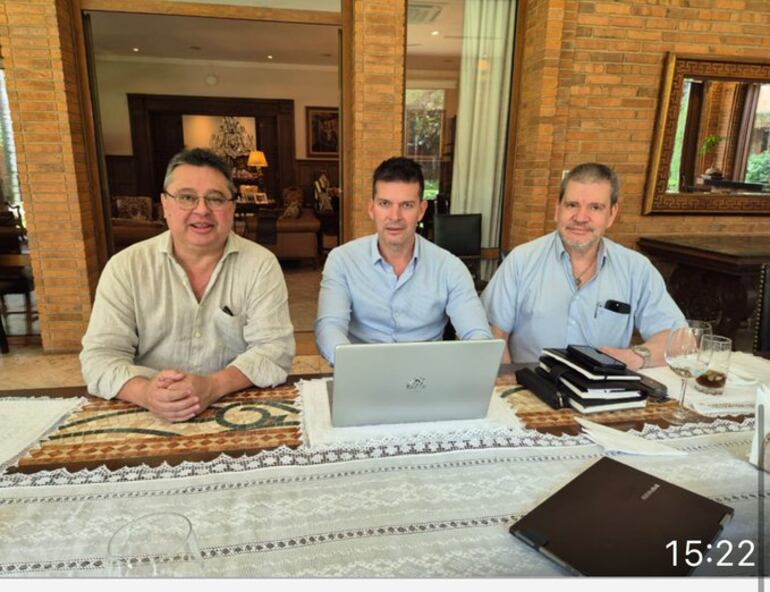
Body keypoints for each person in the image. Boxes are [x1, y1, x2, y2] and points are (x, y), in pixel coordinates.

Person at [81, 148, 295, 422]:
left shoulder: (260, 265)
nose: (202, 210)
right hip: (144, 410)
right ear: (165, 204)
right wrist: (146, 393)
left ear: (232, 207)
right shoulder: (126, 267)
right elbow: (100, 357)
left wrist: (213, 386)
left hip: (235, 407)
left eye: (216, 199)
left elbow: (275, 352)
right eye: (186, 197)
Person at [481, 162, 685, 369]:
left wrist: (636, 357)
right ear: (557, 209)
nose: (580, 218)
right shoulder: (521, 261)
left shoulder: (636, 269)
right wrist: (509, 385)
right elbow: (491, 335)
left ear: (612, 214)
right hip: (532, 389)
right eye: (572, 205)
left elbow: (680, 340)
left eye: (595, 207)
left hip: (604, 392)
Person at [315, 156, 491, 365]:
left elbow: (478, 334)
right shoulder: (342, 260)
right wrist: (353, 367)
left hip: (426, 379)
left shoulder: (450, 267)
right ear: (372, 208)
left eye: (407, 205)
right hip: (361, 372)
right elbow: (329, 327)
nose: (395, 216)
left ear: (421, 210)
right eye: (385, 204)